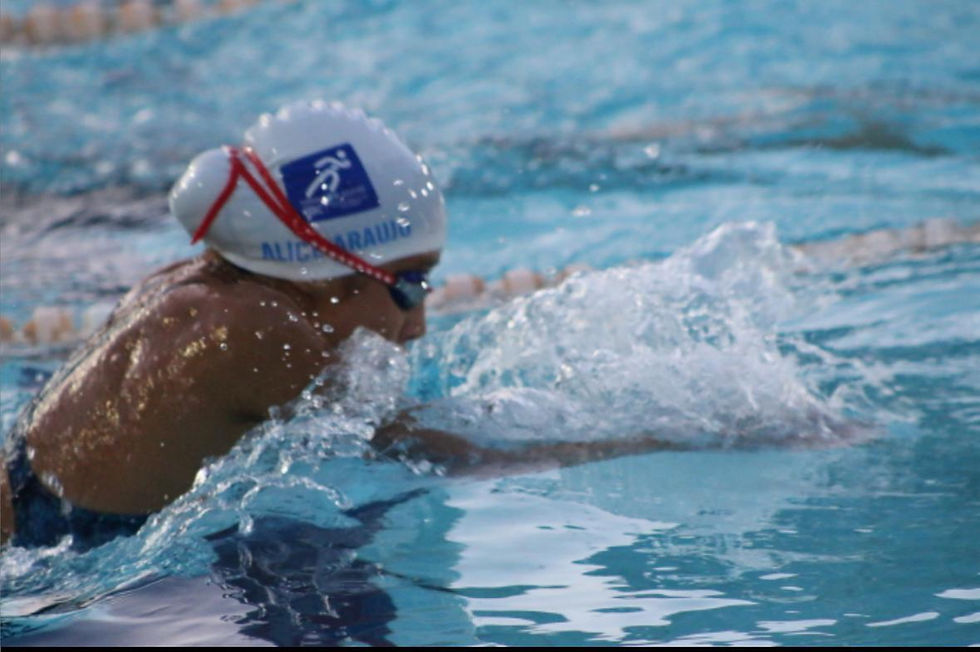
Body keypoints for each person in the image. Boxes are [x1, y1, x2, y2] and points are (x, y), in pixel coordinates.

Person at [0, 101, 675, 549]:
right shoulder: (263, 333)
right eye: (408, 287)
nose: (418, 325)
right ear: (327, 274)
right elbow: (410, 448)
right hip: (74, 562)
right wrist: (626, 442)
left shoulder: (187, 289)